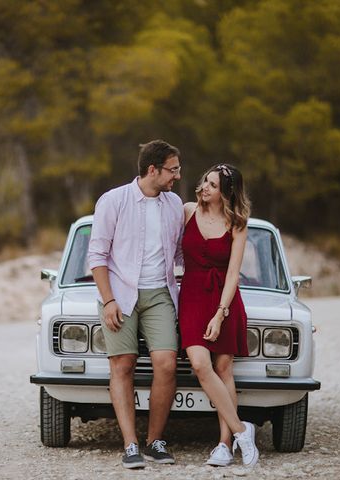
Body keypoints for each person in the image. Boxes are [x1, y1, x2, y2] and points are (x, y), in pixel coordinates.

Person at [87, 140, 184, 469]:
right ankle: (130, 445)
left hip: (160, 294)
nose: (178, 176)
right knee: (123, 365)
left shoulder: (174, 205)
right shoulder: (113, 201)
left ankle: (155, 441)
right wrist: (109, 299)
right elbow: (97, 256)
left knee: (167, 364)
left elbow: (182, 253)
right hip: (121, 294)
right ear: (152, 170)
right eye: (172, 169)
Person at [178, 163, 259, 467]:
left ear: (226, 192)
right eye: (205, 181)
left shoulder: (237, 222)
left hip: (224, 300)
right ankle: (242, 430)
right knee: (200, 364)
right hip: (192, 296)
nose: (205, 187)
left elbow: (234, 273)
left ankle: (224, 445)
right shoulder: (187, 211)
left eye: (212, 185)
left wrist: (220, 314)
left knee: (224, 367)